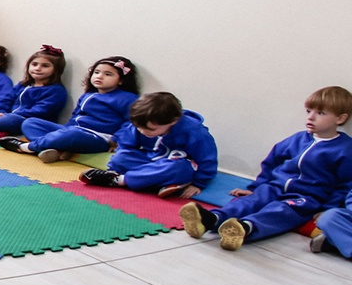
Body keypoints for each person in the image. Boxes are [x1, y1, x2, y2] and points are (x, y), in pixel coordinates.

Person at [185, 86, 352, 251]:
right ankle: (212, 218)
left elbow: (345, 184)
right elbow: (272, 160)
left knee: (281, 211)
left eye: (321, 113)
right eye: (309, 111)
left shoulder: (344, 149)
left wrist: (328, 208)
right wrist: (256, 187)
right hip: (275, 187)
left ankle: (245, 228)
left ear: (340, 118)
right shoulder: (299, 139)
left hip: (306, 197)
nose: (311, 117)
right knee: (252, 201)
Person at [0, 56, 140, 163]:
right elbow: (75, 117)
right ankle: (54, 149)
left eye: (108, 74)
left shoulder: (127, 98)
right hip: (72, 130)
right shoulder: (87, 95)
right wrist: (63, 129)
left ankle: (27, 148)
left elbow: (131, 122)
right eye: (96, 72)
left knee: (71, 135)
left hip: (97, 137)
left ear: (121, 80)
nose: (99, 76)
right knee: (30, 123)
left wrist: (117, 139)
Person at [81, 92, 217, 198]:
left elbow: (207, 159)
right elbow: (127, 145)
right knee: (120, 157)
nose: (143, 132)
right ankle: (156, 181)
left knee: (179, 169)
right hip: (149, 159)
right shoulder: (143, 122)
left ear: (173, 121)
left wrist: (198, 184)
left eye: (151, 130)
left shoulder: (194, 132)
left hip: (175, 164)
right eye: (139, 128)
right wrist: (120, 159)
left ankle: (121, 180)